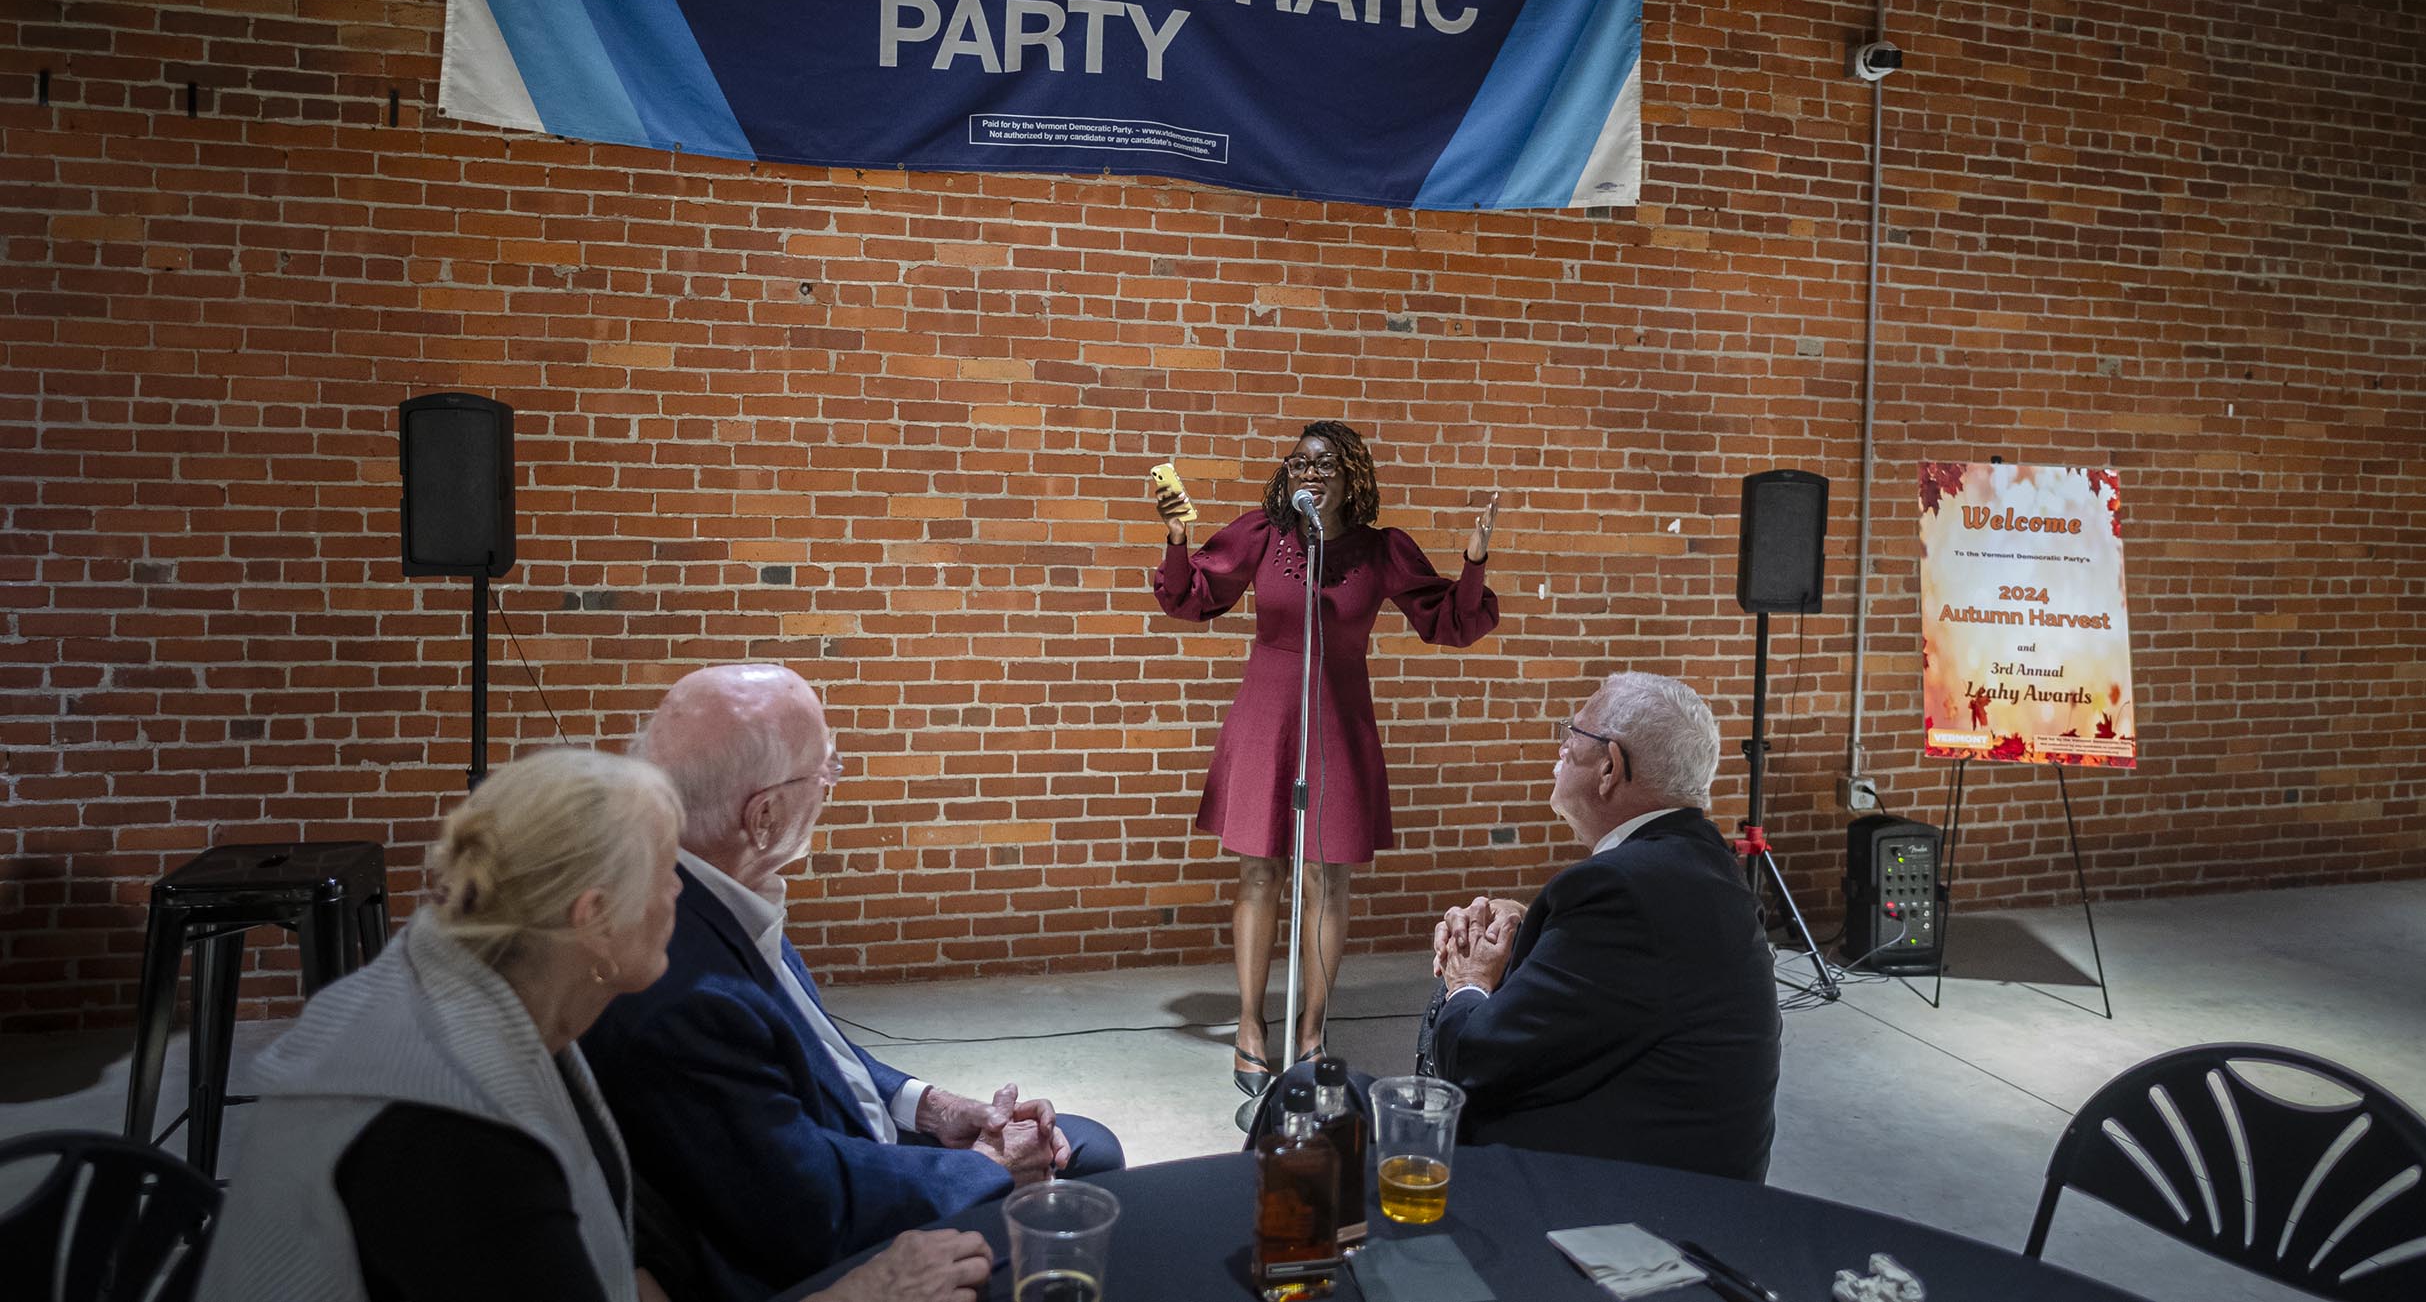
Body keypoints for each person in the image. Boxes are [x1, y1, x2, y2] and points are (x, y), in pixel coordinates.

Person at [198, 747, 993, 1302]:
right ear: (593, 920)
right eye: (666, 875)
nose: (683, 899)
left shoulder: (480, 976)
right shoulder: (452, 1135)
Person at [581, 663, 1125, 1302]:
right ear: (763, 816)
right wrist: (985, 1167)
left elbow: (813, 1050)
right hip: (825, 1236)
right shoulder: (682, 989)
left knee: (1083, 1146)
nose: (833, 784)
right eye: (825, 770)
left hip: (834, 1154)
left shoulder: (712, 881)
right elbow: (805, 1205)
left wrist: (933, 1107)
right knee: (1081, 1178)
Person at [1154, 419, 1499, 1090]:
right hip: (1265, 716)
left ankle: (1312, 1028)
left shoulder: (1380, 550)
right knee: (1260, 870)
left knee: (1327, 879)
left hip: (1338, 717)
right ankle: (1252, 1025)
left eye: (1324, 465)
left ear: (1352, 478)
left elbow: (1449, 621)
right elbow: (1194, 596)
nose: (1309, 474)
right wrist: (1177, 540)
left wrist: (1474, 562)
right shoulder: (1261, 533)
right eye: (1299, 463)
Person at [1428, 672, 1782, 1182]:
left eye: (1571, 735)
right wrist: (1523, 925)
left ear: (1609, 767)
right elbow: (1612, 989)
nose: (1560, 750)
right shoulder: (1696, 863)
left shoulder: (1622, 892)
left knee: (1327, 1105)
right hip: (1683, 1171)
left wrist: (1466, 980)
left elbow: (1473, 1058)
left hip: (1633, 1200)